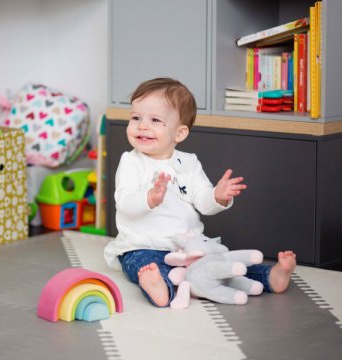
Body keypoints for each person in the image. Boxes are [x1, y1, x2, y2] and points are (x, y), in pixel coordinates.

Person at [104, 77, 297, 307]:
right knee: (143, 265)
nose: (142, 126)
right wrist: (149, 198)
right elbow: (124, 202)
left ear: (179, 133)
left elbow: (203, 200)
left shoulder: (189, 163)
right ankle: (158, 287)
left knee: (220, 265)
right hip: (144, 245)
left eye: (155, 120)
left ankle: (270, 276)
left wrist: (218, 196)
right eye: (136, 118)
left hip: (188, 247)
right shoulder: (131, 162)